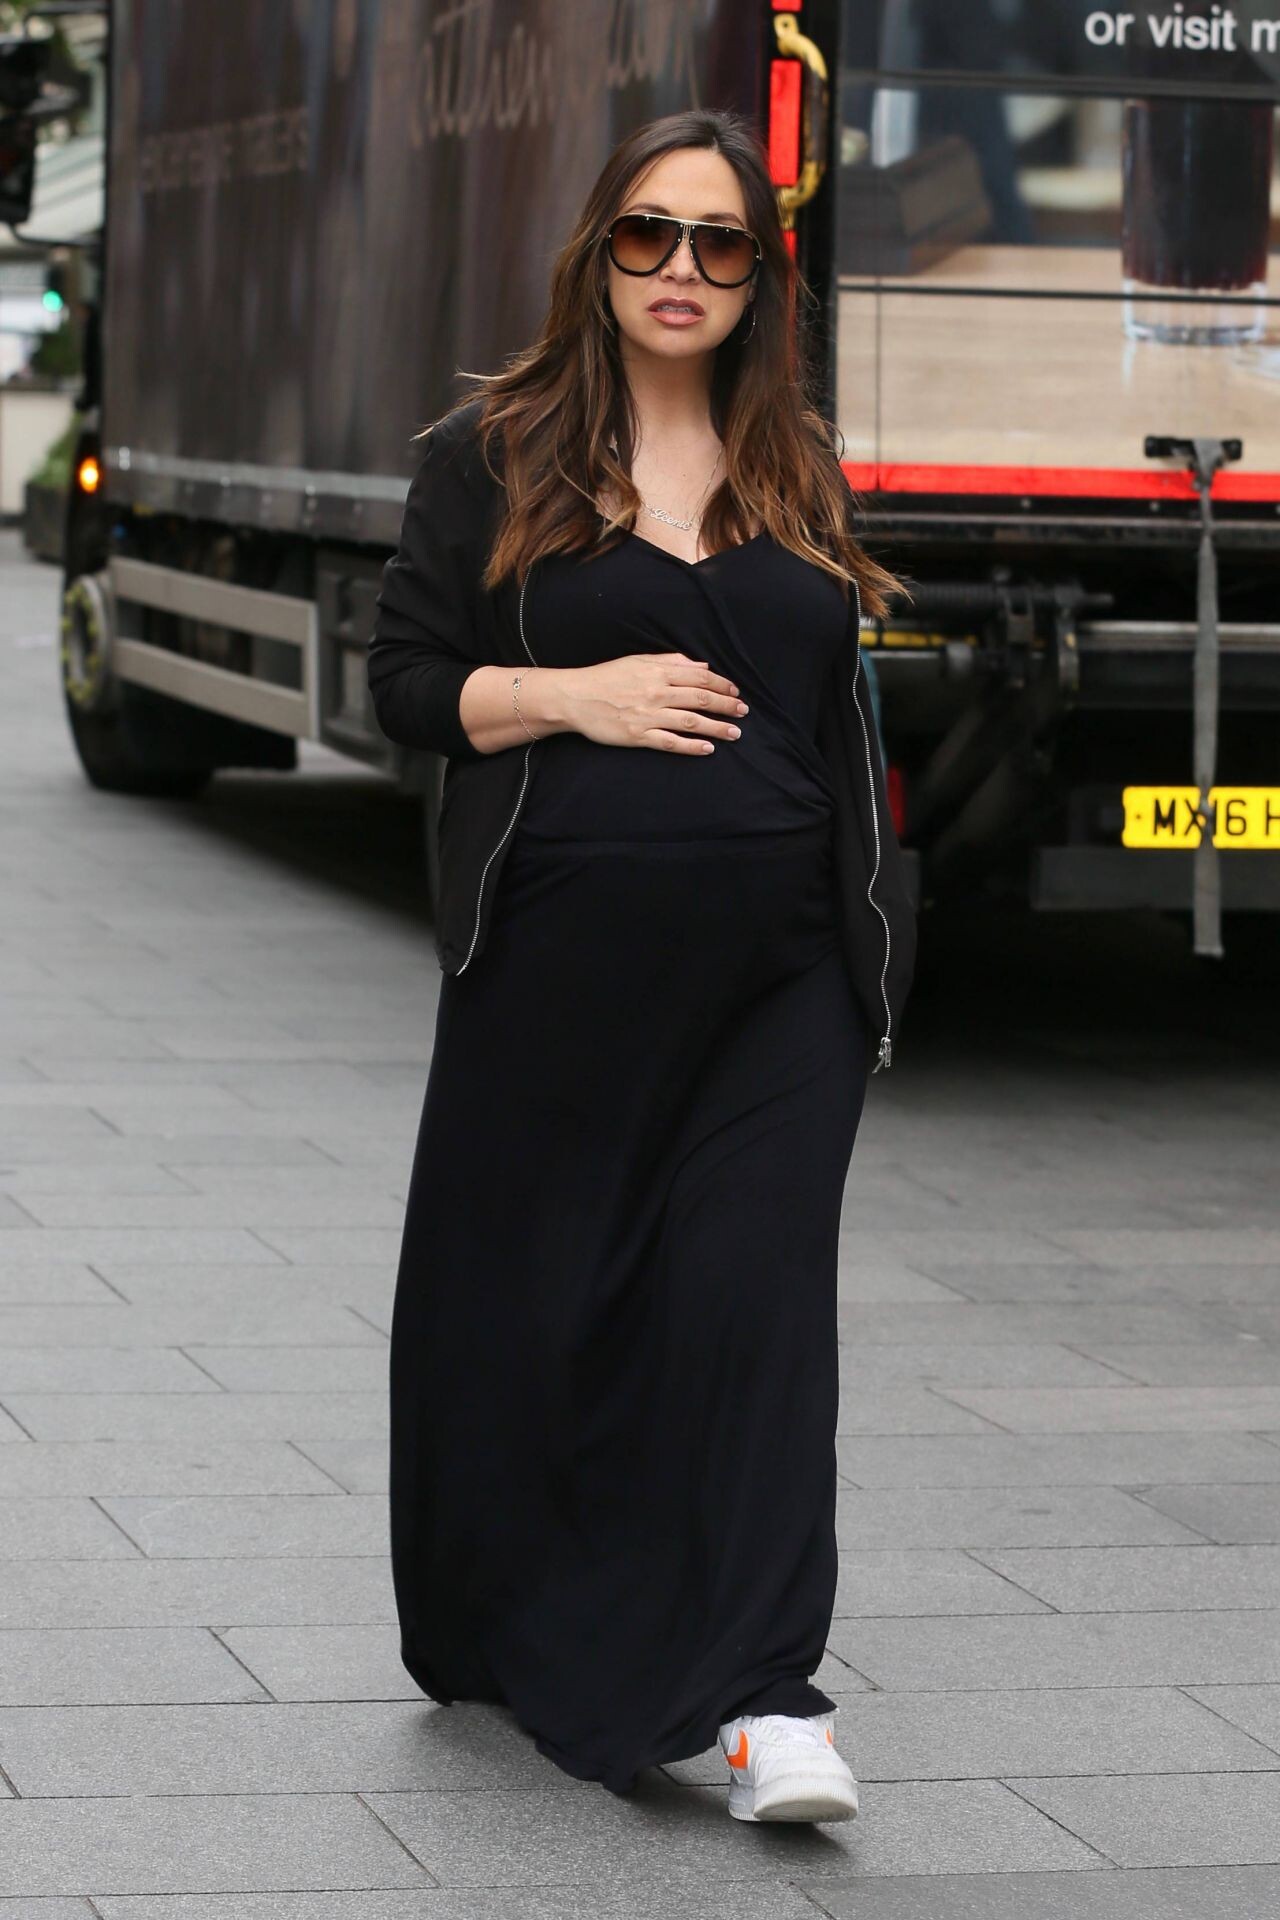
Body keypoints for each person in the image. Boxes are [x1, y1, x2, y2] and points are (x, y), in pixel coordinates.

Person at [368, 107, 916, 1823]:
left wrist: (872, 936)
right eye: (649, 234)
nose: (683, 268)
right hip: (559, 980)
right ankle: (545, 1605)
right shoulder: (492, 452)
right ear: (598, 252)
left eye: (721, 242)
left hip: (784, 980)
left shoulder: (795, 462)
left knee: (758, 1308)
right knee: (563, 1308)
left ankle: (767, 1699)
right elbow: (403, 683)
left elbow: (833, 708)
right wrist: (574, 695)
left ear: (762, 278)